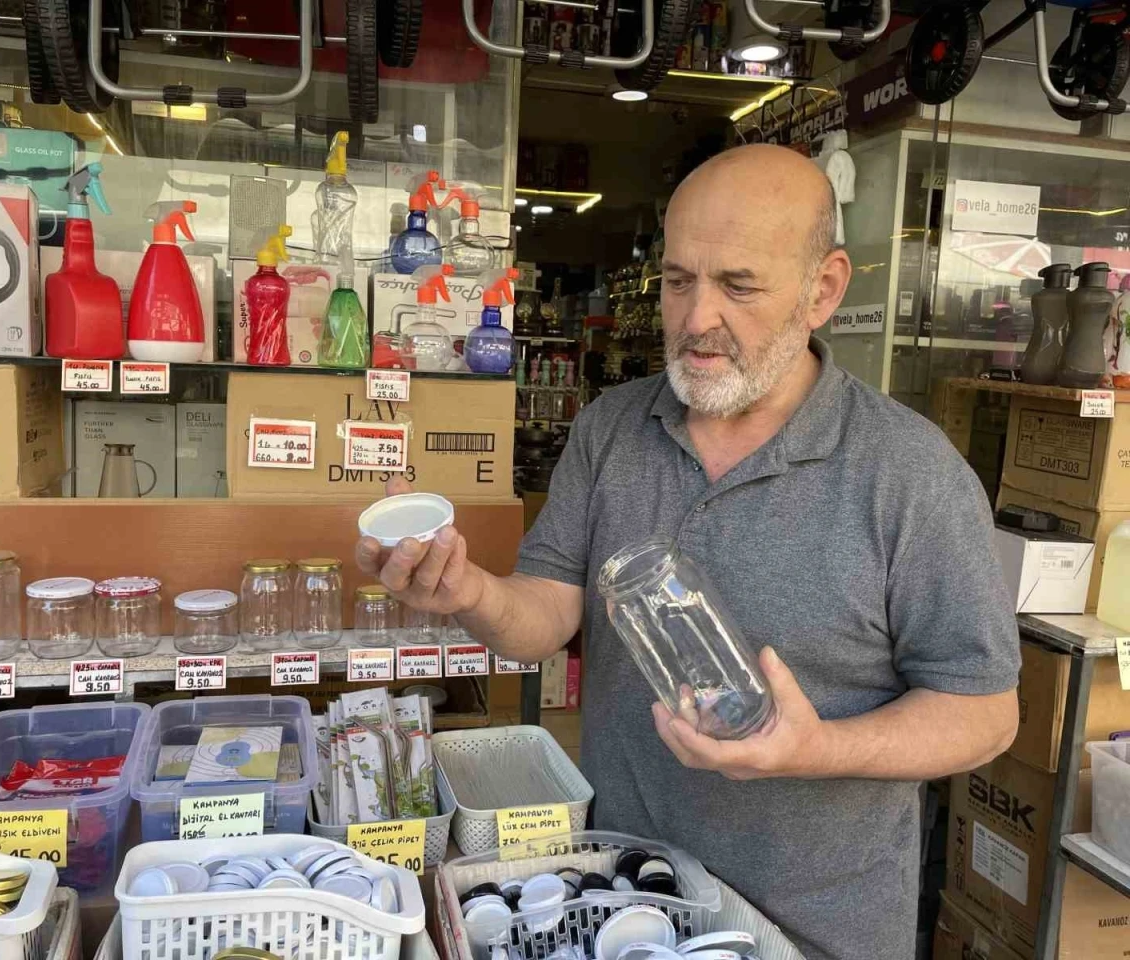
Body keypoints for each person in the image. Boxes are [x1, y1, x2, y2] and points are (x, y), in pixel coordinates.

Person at [355, 144, 1020, 959]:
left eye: (738, 285)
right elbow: (547, 612)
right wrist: (471, 595)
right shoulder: (612, 428)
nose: (697, 318)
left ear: (823, 289)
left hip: (816, 932)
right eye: (678, 281)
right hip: (624, 907)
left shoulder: (910, 474)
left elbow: (984, 713)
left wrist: (818, 751)